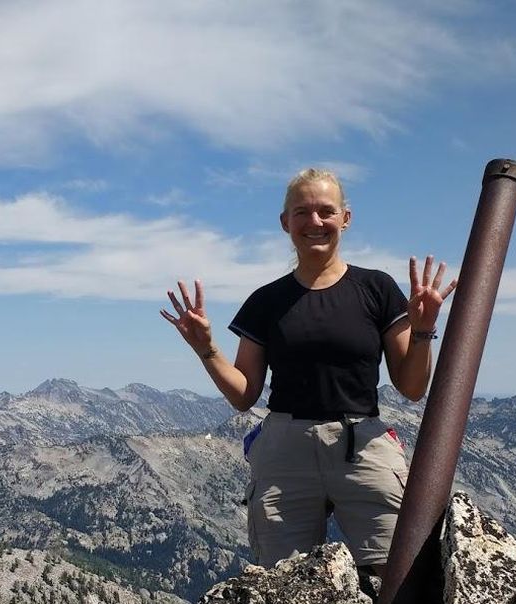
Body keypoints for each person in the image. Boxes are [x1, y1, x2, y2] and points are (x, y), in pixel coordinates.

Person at [160, 168, 456, 578]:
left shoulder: (377, 289)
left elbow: (411, 386)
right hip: (286, 448)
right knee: (284, 586)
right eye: (302, 212)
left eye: (326, 211)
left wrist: (423, 330)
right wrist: (207, 349)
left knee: (398, 576)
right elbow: (245, 394)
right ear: (286, 223)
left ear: (345, 219)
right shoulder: (266, 302)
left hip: (363, 443)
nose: (314, 222)